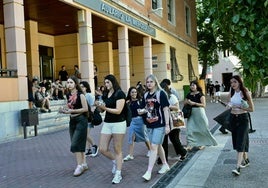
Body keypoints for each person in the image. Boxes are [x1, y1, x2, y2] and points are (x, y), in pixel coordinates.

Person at [138, 74, 170, 181]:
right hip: (149, 124)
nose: (149, 84)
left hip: (159, 124)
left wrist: (167, 125)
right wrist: (141, 111)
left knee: (153, 147)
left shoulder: (161, 94)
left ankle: (148, 171)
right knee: (158, 146)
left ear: (155, 82)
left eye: (151, 82)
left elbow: (166, 109)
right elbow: (143, 108)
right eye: (147, 82)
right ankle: (165, 164)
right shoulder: (146, 95)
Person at [96, 74, 126, 184]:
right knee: (102, 148)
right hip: (107, 123)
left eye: (108, 82)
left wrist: (104, 107)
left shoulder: (120, 93)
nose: (106, 85)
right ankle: (116, 161)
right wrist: (99, 106)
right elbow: (102, 111)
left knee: (117, 149)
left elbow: (118, 110)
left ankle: (118, 173)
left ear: (113, 82)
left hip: (119, 123)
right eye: (105, 83)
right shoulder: (105, 94)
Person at [60, 75, 89, 177]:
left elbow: (85, 109)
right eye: (67, 82)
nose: (69, 84)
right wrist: (63, 109)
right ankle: (84, 163)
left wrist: (73, 111)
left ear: (76, 84)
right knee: (76, 142)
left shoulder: (80, 95)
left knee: (75, 144)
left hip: (81, 120)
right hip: (72, 120)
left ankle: (79, 165)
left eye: (71, 82)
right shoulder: (68, 95)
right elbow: (68, 106)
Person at [227, 75, 254, 176]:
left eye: (234, 82)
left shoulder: (245, 92)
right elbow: (229, 102)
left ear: (239, 82)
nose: (232, 84)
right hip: (233, 119)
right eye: (231, 82)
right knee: (239, 141)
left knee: (240, 142)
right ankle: (246, 160)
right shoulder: (232, 92)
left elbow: (252, 109)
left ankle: (237, 167)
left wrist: (240, 106)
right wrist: (229, 105)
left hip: (243, 119)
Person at [158, 82, 187, 164]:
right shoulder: (158, 97)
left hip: (173, 120)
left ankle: (183, 152)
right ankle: (163, 158)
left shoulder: (172, 97)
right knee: (163, 140)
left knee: (174, 139)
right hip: (163, 120)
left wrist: (167, 106)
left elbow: (177, 108)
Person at [184, 80, 217, 151]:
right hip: (191, 113)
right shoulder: (189, 94)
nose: (192, 86)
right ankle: (190, 144)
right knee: (190, 129)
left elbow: (204, 105)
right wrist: (187, 102)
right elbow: (185, 103)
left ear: (197, 86)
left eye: (193, 85)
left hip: (199, 112)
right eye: (191, 85)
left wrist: (194, 103)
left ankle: (202, 144)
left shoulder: (200, 94)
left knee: (201, 128)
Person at [123, 86, 151, 161]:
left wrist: (142, 111)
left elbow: (147, 108)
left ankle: (150, 150)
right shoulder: (128, 102)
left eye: (135, 92)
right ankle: (130, 155)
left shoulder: (140, 100)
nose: (134, 93)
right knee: (131, 137)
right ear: (129, 93)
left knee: (145, 136)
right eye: (132, 92)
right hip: (133, 121)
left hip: (141, 121)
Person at [80, 81, 99, 157]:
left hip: (88, 117)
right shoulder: (81, 95)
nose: (81, 88)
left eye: (82, 86)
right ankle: (88, 150)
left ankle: (94, 146)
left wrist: (90, 110)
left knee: (85, 134)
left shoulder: (89, 95)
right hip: (82, 117)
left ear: (86, 87)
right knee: (85, 134)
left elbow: (93, 106)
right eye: (80, 86)